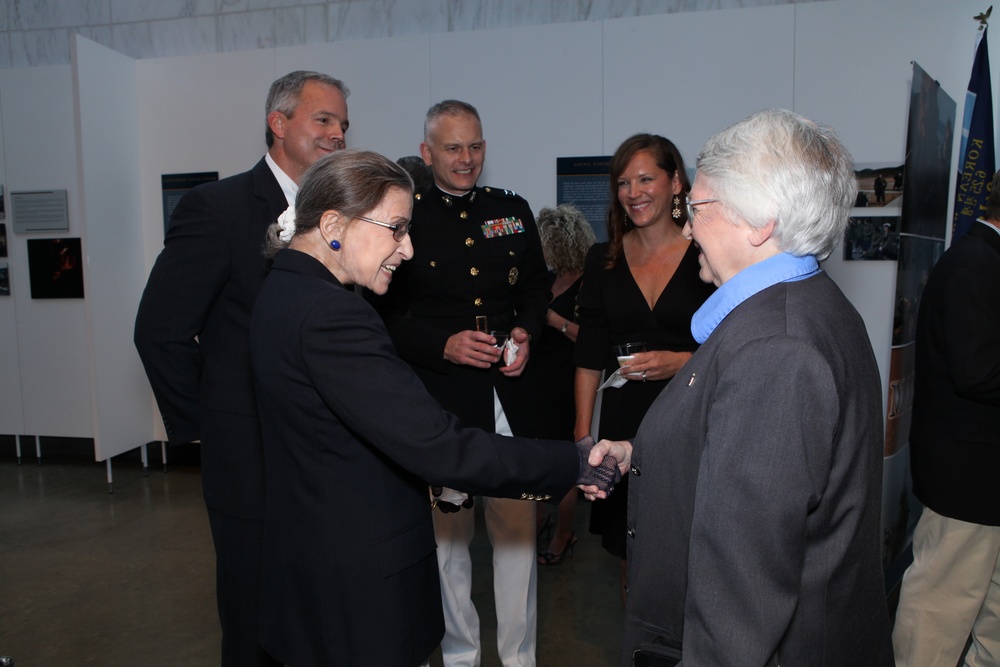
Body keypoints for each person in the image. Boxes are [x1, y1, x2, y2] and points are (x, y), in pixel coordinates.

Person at [249, 149, 622, 667]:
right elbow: (440, 449)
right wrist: (573, 461)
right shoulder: (334, 316)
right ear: (334, 224)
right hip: (354, 582)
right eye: (397, 229)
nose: (408, 249)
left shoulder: (281, 289)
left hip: (311, 561)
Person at [618, 109, 893, 666]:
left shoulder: (776, 349)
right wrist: (642, 452)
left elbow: (740, 588)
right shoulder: (810, 306)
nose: (689, 227)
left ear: (760, 221)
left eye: (697, 207)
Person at [133, 70, 350, 667]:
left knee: (317, 605)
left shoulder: (340, 216)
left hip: (325, 454)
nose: (337, 134)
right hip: (249, 456)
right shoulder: (218, 207)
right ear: (278, 124)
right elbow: (161, 330)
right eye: (323, 120)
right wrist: (209, 422)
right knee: (254, 610)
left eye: (343, 124)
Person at [372, 100, 548, 667]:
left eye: (474, 146)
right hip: (441, 405)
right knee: (448, 548)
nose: (466, 159)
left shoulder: (512, 209)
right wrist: (440, 346)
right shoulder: (404, 218)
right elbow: (386, 316)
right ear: (427, 154)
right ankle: (461, 656)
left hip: (510, 403)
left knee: (518, 537)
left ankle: (518, 658)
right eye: (452, 148)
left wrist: (526, 331)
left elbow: (537, 292)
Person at [573, 133, 715, 599]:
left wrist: (683, 362)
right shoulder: (604, 259)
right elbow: (589, 353)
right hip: (623, 420)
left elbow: (738, 346)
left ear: (676, 182)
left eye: (646, 178)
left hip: (693, 415)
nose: (633, 192)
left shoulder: (707, 253)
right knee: (632, 554)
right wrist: (581, 437)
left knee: (693, 549)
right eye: (623, 182)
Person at [891, 171, 1000, 667]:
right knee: (939, 608)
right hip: (967, 480)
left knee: (991, 610)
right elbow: (977, 372)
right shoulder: (976, 265)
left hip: (983, 481)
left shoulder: (985, 260)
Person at [531, 204, 596, 565]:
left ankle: (563, 534)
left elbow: (592, 339)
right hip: (538, 380)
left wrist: (555, 320)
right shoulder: (548, 278)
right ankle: (542, 518)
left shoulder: (588, 283)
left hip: (566, 383)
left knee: (567, 462)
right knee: (541, 458)